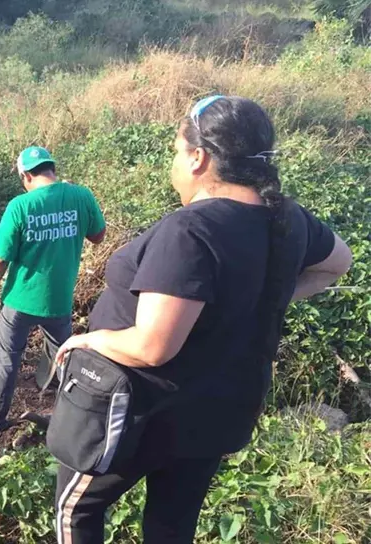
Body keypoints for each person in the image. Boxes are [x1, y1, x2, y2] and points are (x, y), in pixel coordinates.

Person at [52, 96, 352, 543]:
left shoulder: (191, 231)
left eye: (176, 151)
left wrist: (87, 341)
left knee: (77, 510)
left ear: (199, 158)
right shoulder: (286, 218)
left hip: (142, 412)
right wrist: (263, 297)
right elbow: (338, 262)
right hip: (217, 412)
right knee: (172, 526)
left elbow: (153, 347)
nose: (174, 163)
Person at [0, 146, 106, 438]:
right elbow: (97, 236)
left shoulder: (20, 206)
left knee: (7, 361)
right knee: (64, 358)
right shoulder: (81, 196)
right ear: (52, 169)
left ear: (26, 176)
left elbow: (0, 259)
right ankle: (73, 419)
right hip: (58, 300)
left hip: (19, 301)